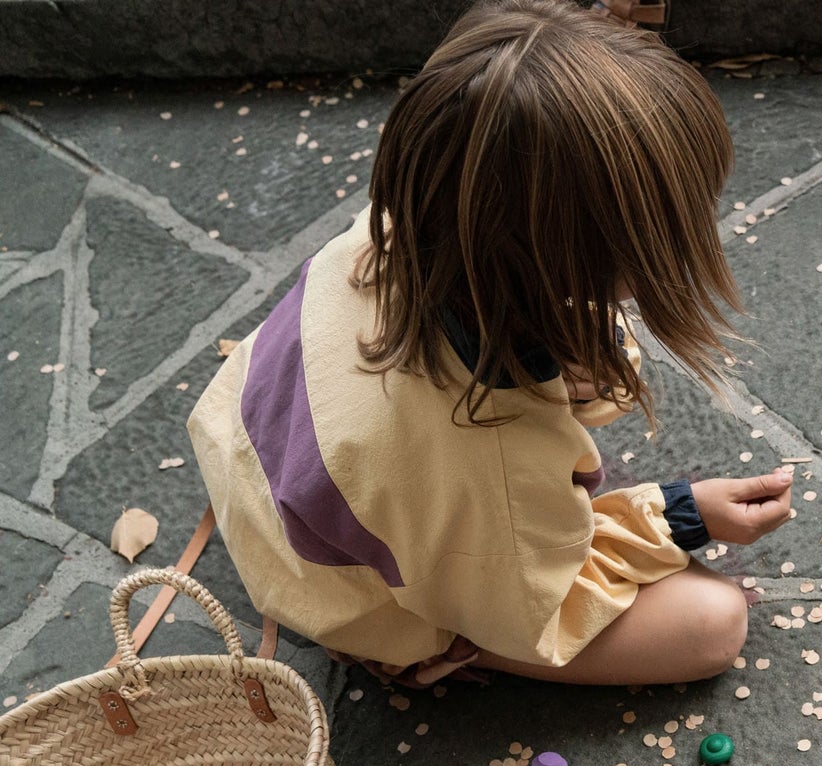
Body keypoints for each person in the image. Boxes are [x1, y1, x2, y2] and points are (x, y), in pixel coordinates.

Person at [187, 0, 790, 688]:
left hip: (256, 457)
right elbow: (534, 604)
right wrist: (676, 514)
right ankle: (413, 651)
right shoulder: (487, 449)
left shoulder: (402, 224)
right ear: (572, 262)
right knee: (712, 621)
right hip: (339, 588)